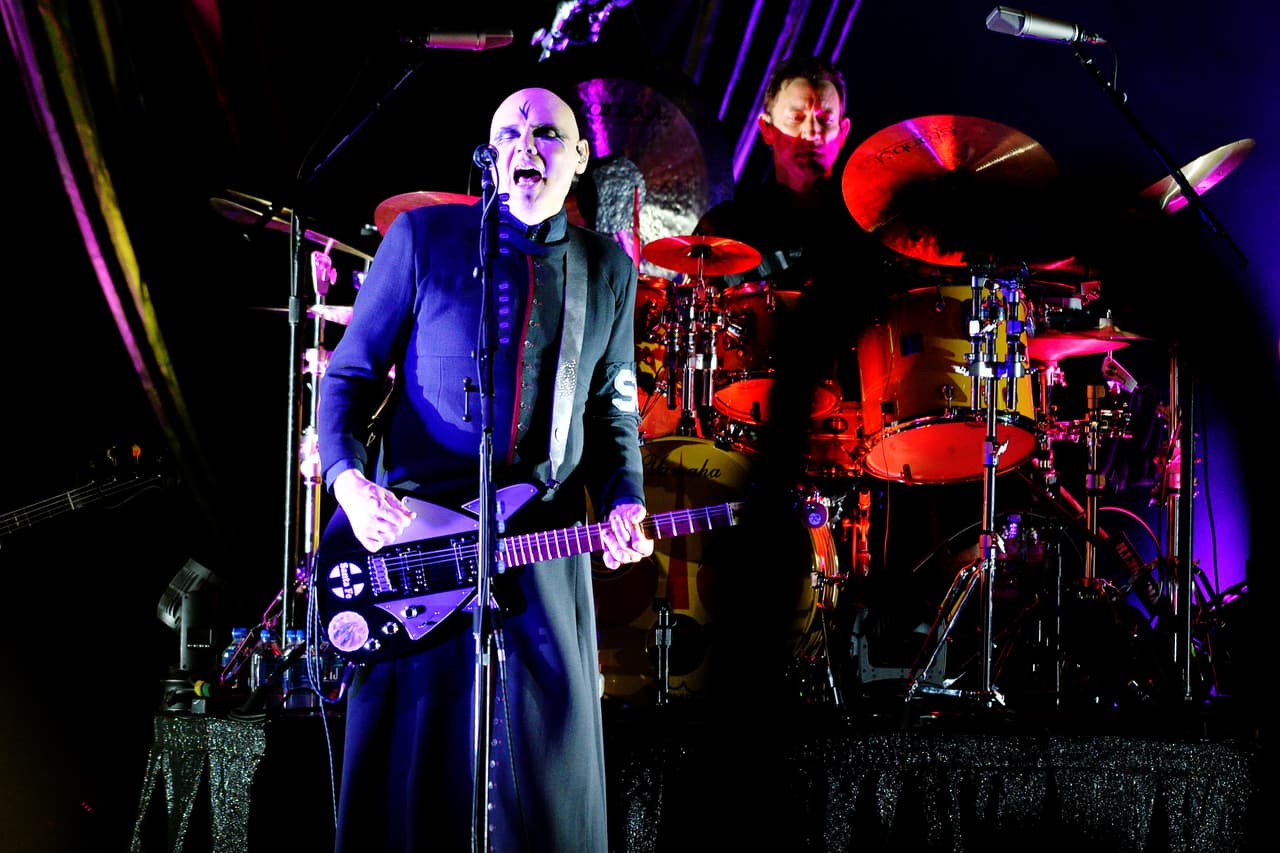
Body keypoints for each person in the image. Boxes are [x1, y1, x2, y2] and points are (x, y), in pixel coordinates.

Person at [317, 86, 654, 852]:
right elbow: (348, 380)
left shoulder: (606, 269)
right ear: (489, 154)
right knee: (412, 780)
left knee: (543, 788)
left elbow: (612, 413)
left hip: (542, 549)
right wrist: (349, 484)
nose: (524, 146)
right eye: (508, 132)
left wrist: (624, 500)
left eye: (544, 133)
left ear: (577, 157)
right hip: (416, 544)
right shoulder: (424, 239)